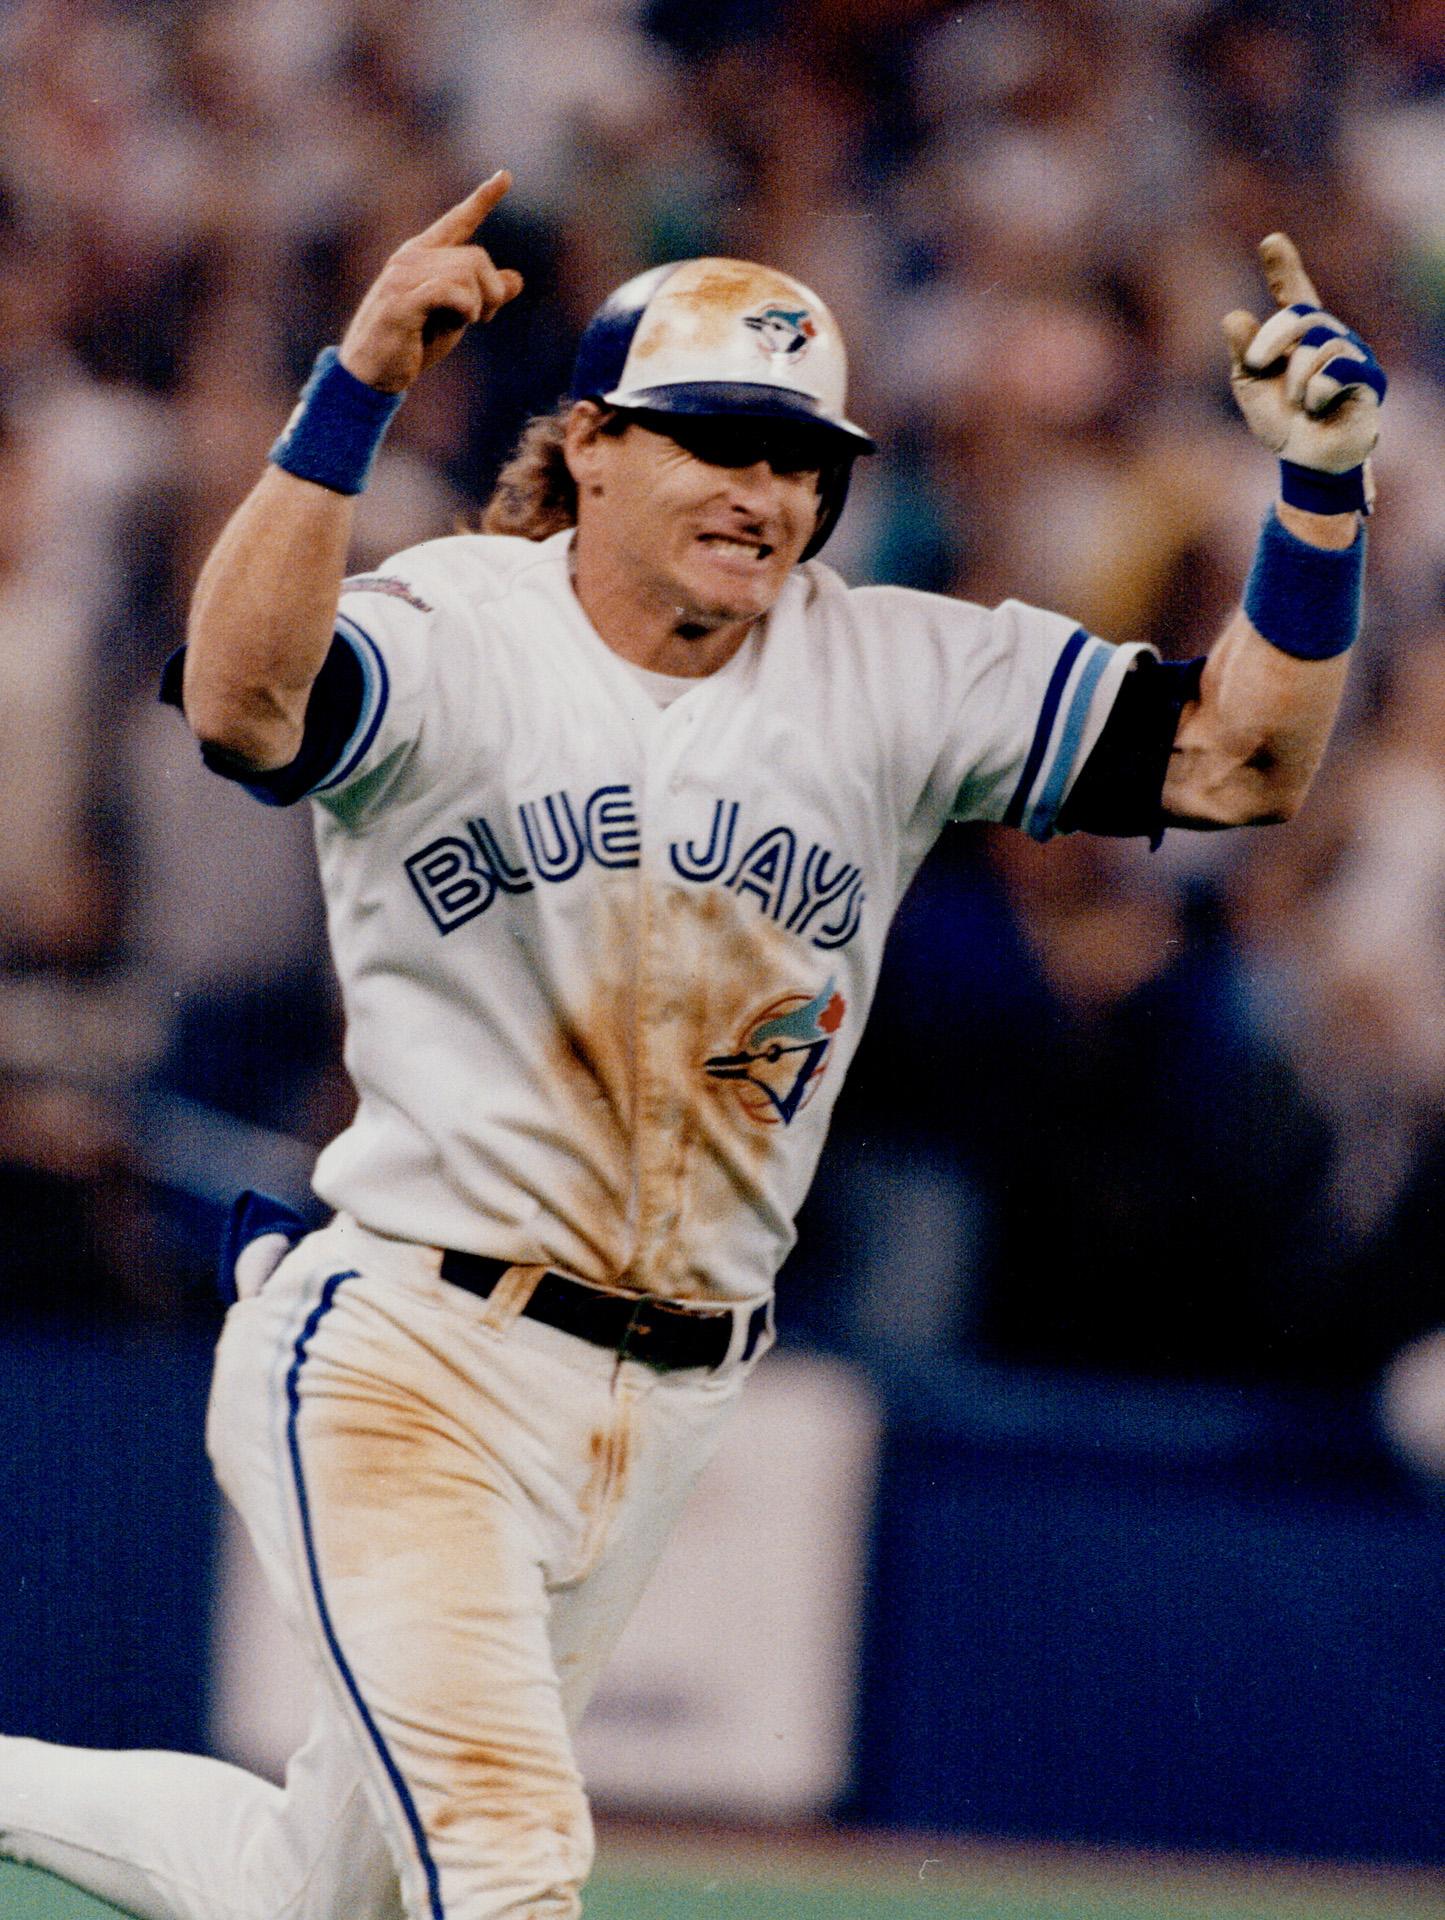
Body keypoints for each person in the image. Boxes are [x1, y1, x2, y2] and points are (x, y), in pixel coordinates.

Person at [0, 170, 1384, 1920]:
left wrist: (1320, 498)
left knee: (312, 1894)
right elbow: (242, 700)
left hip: (667, 1393)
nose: (764, 490)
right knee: (507, 1869)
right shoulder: (454, 629)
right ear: (588, 444)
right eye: (715, 439)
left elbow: (1233, 764)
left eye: (802, 458)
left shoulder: (890, 669)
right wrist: (350, 393)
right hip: (413, 1351)